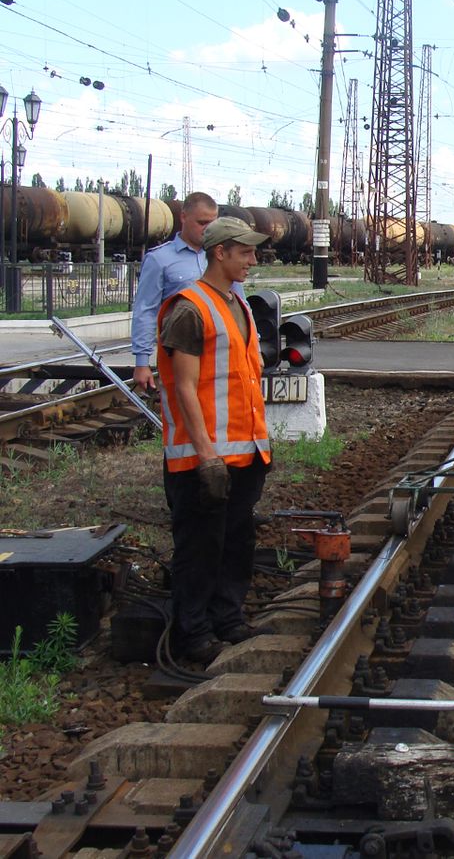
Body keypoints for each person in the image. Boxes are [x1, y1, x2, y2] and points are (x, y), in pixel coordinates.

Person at [157, 217, 272, 664]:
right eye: (245, 252)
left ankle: (227, 618)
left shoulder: (236, 305)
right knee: (200, 548)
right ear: (220, 252)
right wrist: (206, 455)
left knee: (235, 542)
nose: (253, 260)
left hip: (244, 453)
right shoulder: (190, 307)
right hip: (202, 459)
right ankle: (194, 633)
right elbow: (183, 387)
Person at [131, 192, 237, 390]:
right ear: (183, 217)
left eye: (212, 223)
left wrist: (254, 347)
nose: (207, 229)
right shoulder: (160, 260)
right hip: (180, 353)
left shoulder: (222, 256)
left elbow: (240, 304)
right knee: (182, 411)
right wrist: (142, 362)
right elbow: (146, 310)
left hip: (221, 353)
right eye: (202, 222)